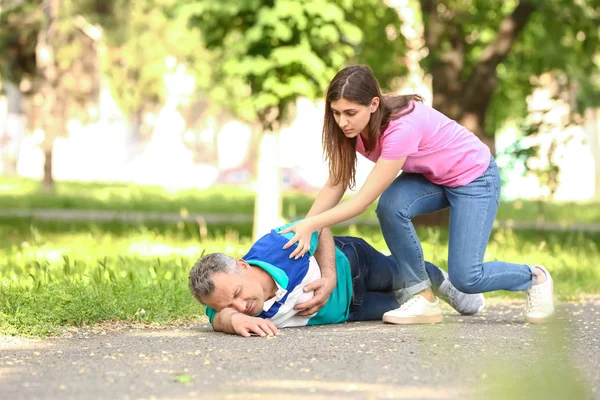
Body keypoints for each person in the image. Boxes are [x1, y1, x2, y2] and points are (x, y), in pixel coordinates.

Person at [279, 65, 554, 325]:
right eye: (336, 113)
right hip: (432, 177)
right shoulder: (349, 130)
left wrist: (312, 224)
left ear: (374, 104)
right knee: (391, 206)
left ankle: (535, 277)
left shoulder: (401, 128)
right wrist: (304, 230)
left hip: (475, 177)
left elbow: (362, 201)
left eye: (350, 113)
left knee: (467, 278)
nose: (342, 122)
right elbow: (336, 184)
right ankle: (422, 296)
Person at [188, 222, 485, 337]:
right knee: (406, 304)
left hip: (352, 264)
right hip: (351, 311)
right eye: (230, 304)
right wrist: (234, 321)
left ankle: (443, 280)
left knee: (404, 276)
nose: (242, 305)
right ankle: (426, 294)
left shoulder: (275, 246)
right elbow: (220, 316)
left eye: (238, 293)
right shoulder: (229, 308)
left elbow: (320, 225)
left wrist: (328, 275)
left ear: (242, 266)